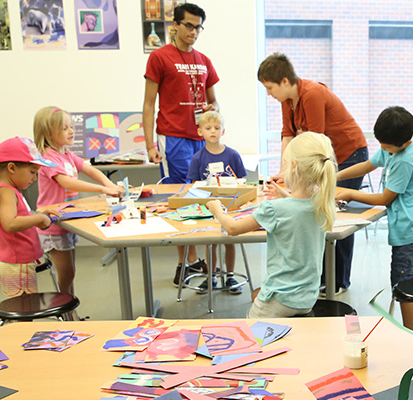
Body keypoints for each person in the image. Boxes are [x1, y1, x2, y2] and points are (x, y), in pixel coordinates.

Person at [258, 52, 368, 295]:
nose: (269, 94)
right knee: (316, 210)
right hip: (324, 154)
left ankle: (338, 279)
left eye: (269, 87)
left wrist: (293, 175)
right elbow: (288, 137)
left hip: (348, 155)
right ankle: (322, 276)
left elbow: (314, 143)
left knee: (334, 212)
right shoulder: (288, 101)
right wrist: (284, 172)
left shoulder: (312, 94)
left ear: (285, 81)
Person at [206, 132, 336, 318]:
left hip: (279, 298)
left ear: (293, 166)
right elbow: (298, 209)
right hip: (306, 299)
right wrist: (287, 196)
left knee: (253, 333)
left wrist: (217, 208)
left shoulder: (275, 209)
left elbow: (233, 228)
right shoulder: (322, 204)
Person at [142, 3, 218, 285]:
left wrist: (214, 116)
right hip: (172, 137)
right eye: (189, 25)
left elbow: (215, 101)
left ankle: (198, 260)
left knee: (204, 196)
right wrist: (150, 144)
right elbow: (149, 104)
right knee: (181, 197)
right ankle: (184, 262)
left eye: (198, 27)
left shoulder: (204, 60)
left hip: (201, 139)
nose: (194, 32)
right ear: (175, 25)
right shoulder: (160, 58)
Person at [334, 106, 413, 331]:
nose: (383, 150)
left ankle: (411, 337)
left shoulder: (405, 159)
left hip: (411, 232)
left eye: (387, 147)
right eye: (381, 145)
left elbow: (386, 198)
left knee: (406, 288)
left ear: (405, 143)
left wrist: (349, 193)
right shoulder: (391, 149)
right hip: (406, 229)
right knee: (400, 282)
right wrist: (336, 175)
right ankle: (407, 334)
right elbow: (368, 165)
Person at [34, 106, 123, 295]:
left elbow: (90, 170)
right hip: (53, 225)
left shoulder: (66, 154)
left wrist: (110, 185)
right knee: (66, 274)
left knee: (69, 273)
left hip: (66, 221)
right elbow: (68, 182)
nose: (71, 131)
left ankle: (69, 310)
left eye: (71, 126)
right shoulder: (48, 157)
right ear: (48, 132)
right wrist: (102, 189)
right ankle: (64, 309)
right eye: (65, 128)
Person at [0, 137, 61, 298]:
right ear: (11, 168)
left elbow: (18, 217)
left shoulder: (1, 189)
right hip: (17, 264)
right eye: (32, 172)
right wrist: (40, 219)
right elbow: (10, 223)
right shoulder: (6, 192)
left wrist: (38, 214)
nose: (34, 179)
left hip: (16, 262)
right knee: (24, 310)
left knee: (22, 307)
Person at [186, 111, 246, 294]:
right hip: (207, 208)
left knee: (230, 240)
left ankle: (230, 275)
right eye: (208, 128)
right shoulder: (198, 158)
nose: (213, 131)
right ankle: (211, 276)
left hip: (230, 206)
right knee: (210, 242)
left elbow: (243, 182)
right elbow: (193, 186)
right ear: (200, 132)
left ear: (223, 131)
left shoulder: (233, 155)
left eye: (217, 128)